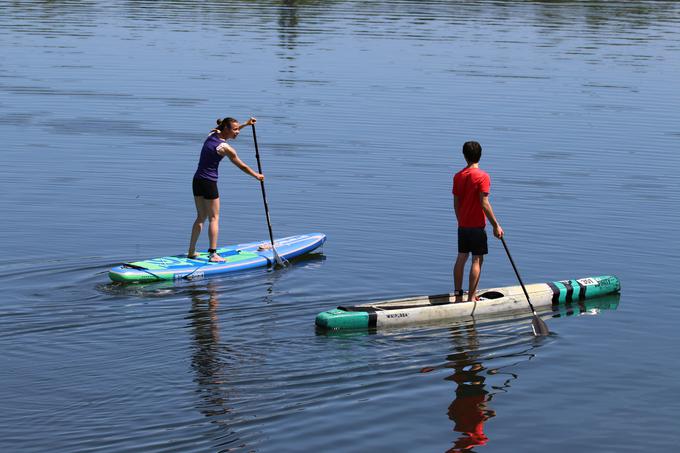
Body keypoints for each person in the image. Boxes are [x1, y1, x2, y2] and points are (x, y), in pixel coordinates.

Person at [188, 116, 264, 262]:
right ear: (227, 129)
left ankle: (191, 251)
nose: (237, 132)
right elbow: (242, 166)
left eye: (238, 129)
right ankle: (213, 254)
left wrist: (245, 125)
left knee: (201, 217)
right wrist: (256, 175)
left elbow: (227, 132)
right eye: (235, 129)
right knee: (214, 218)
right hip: (209, 183)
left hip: (197, 181)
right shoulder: (225, 148)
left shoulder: (212, 133)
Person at [452, 141, 503, 302]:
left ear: (464, 156)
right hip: (477, 226)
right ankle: (471, 298)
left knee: (461, 257)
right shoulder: (483, 176)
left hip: (463, 225)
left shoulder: (458, 176)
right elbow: (484, 203)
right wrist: (496, 225)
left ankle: (458, 295)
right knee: (477, 259)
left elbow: (456, 203)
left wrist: (461, 220)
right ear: (480, 155)